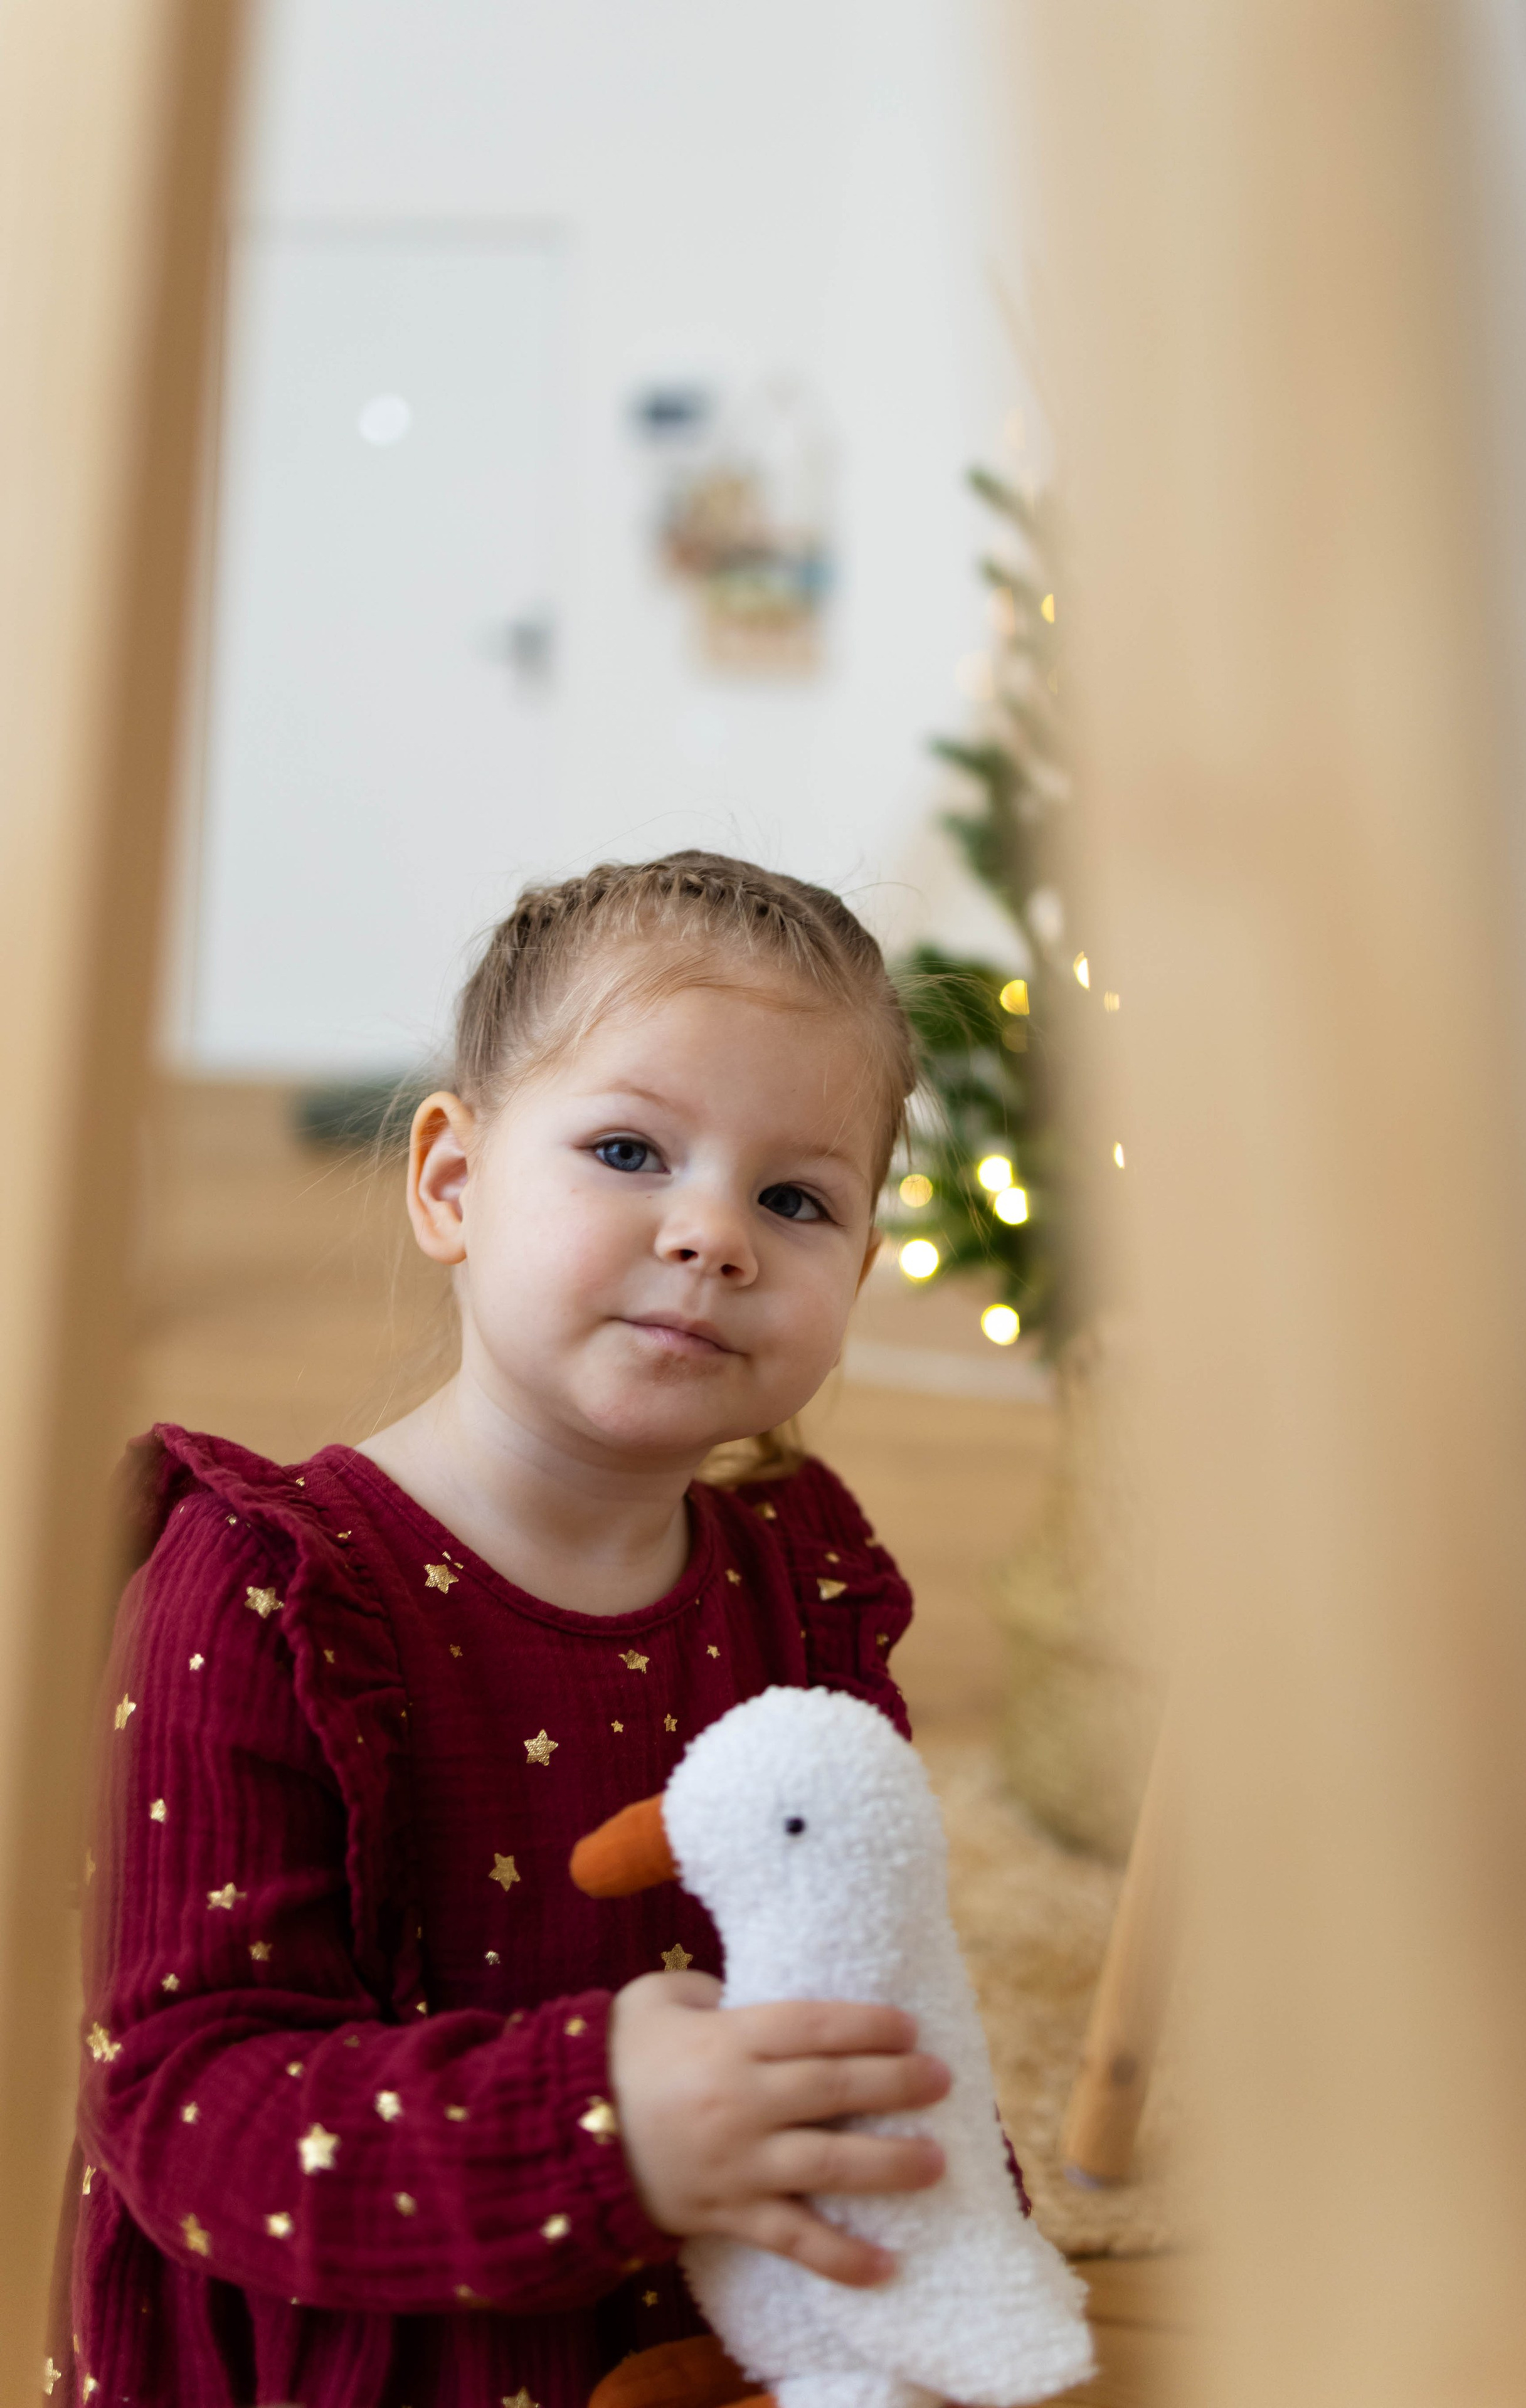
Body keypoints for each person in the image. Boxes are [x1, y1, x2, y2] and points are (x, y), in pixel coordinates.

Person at [70, 853, 956, 2408]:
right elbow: (180, 2111)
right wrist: (606, 2122)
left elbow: (887, 1999)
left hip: (722, 2354)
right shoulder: (264, 1593)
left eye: (795, 1198)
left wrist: (952, 2292)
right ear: (451, 1184)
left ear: (861, 1267)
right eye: (628, 1149)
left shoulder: (802, 1584)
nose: (712, 1235)